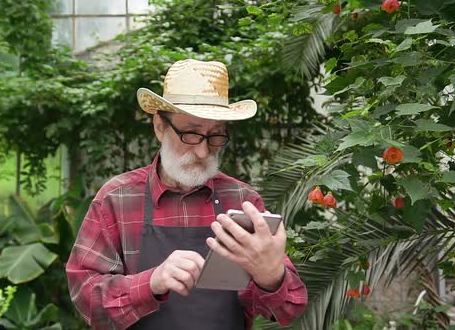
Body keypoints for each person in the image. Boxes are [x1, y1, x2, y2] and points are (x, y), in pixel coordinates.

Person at [66, 59, 307, 330]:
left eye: (215, 136)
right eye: (191, 134)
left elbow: (289, 309)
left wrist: (271, 277)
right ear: (160, 126)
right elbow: (84, 296)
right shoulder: (117, 198)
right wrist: (150, 283)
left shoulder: (243, 201)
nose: (203, 152)